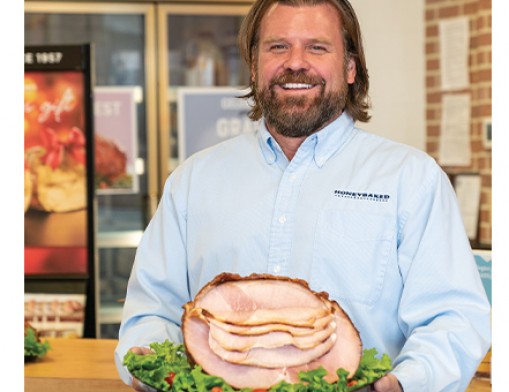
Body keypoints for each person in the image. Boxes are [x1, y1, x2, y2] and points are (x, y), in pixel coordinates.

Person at [115, 0, 491, 390]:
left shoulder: (411, 179)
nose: (296, 62)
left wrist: (398, 385)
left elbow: (453, 319)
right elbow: (152, 310)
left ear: (350, 67)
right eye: (278, 46)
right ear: (254, 65)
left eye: (317, 47)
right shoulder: (192, 181)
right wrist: (148, 360)